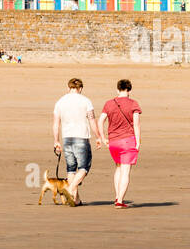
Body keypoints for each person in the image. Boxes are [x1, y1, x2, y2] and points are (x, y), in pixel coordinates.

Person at [53, 77, 100, 206]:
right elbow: (92, 120)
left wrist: (56, 141)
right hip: (82, 138)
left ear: (68, 88)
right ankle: (70, 188)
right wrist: (99, 136)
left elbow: (56, 124)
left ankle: (75, 199)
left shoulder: (60, 102)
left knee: (71, 169)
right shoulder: (86, 101)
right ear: (81, 89)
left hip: (67, 138)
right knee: (84, 167)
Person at [100, 79, 142, 209]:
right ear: (129, 90)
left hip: (113, 141)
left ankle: (117, 196)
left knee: (118, 167)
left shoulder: (109, 103)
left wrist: (103, 137)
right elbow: (136, 124)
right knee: (125, 170)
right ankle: (119, 200)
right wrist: (138, 141)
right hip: (127, 141)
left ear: (117, 90)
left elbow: (100, 121)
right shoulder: (133, 104)